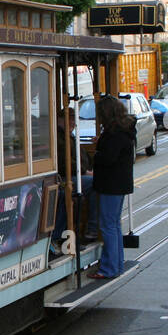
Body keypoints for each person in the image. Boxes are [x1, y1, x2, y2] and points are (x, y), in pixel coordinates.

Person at [89, 94, 136, 278]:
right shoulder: (124, 129)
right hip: (120, 183)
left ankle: (109, 268)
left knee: (108, 225)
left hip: (111, 184)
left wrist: (96, 154)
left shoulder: (114, 133)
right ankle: (116, 265)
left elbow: (108, 158)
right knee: (114, 225)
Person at [51, 106, 95, 255]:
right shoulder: (58, 137)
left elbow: (82, 158)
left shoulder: (69, 136)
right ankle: (90, 229)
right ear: (59, 120)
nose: (72, 123)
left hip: (75, 175)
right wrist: (85, 171)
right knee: (92, 184)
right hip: (65, 178)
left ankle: (84, 230)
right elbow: (65, 162)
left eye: (73, 120)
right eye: (68, 119)